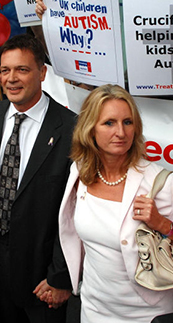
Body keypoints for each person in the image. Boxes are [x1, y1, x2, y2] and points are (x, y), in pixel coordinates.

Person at [0, 33, 76, 323]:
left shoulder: (71, 129)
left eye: (22, 69)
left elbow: (75, 212)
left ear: (42, 73)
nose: (11, 78)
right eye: (4, 70)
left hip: (42, 274)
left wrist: (61, 276)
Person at [55, 84, 173, 322]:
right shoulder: (79, 173)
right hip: (93, 308)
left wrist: (161, 224)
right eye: (109, 123)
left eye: (127, 122)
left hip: (148, 313)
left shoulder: (160, 182)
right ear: (90, 129)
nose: (121, 132)